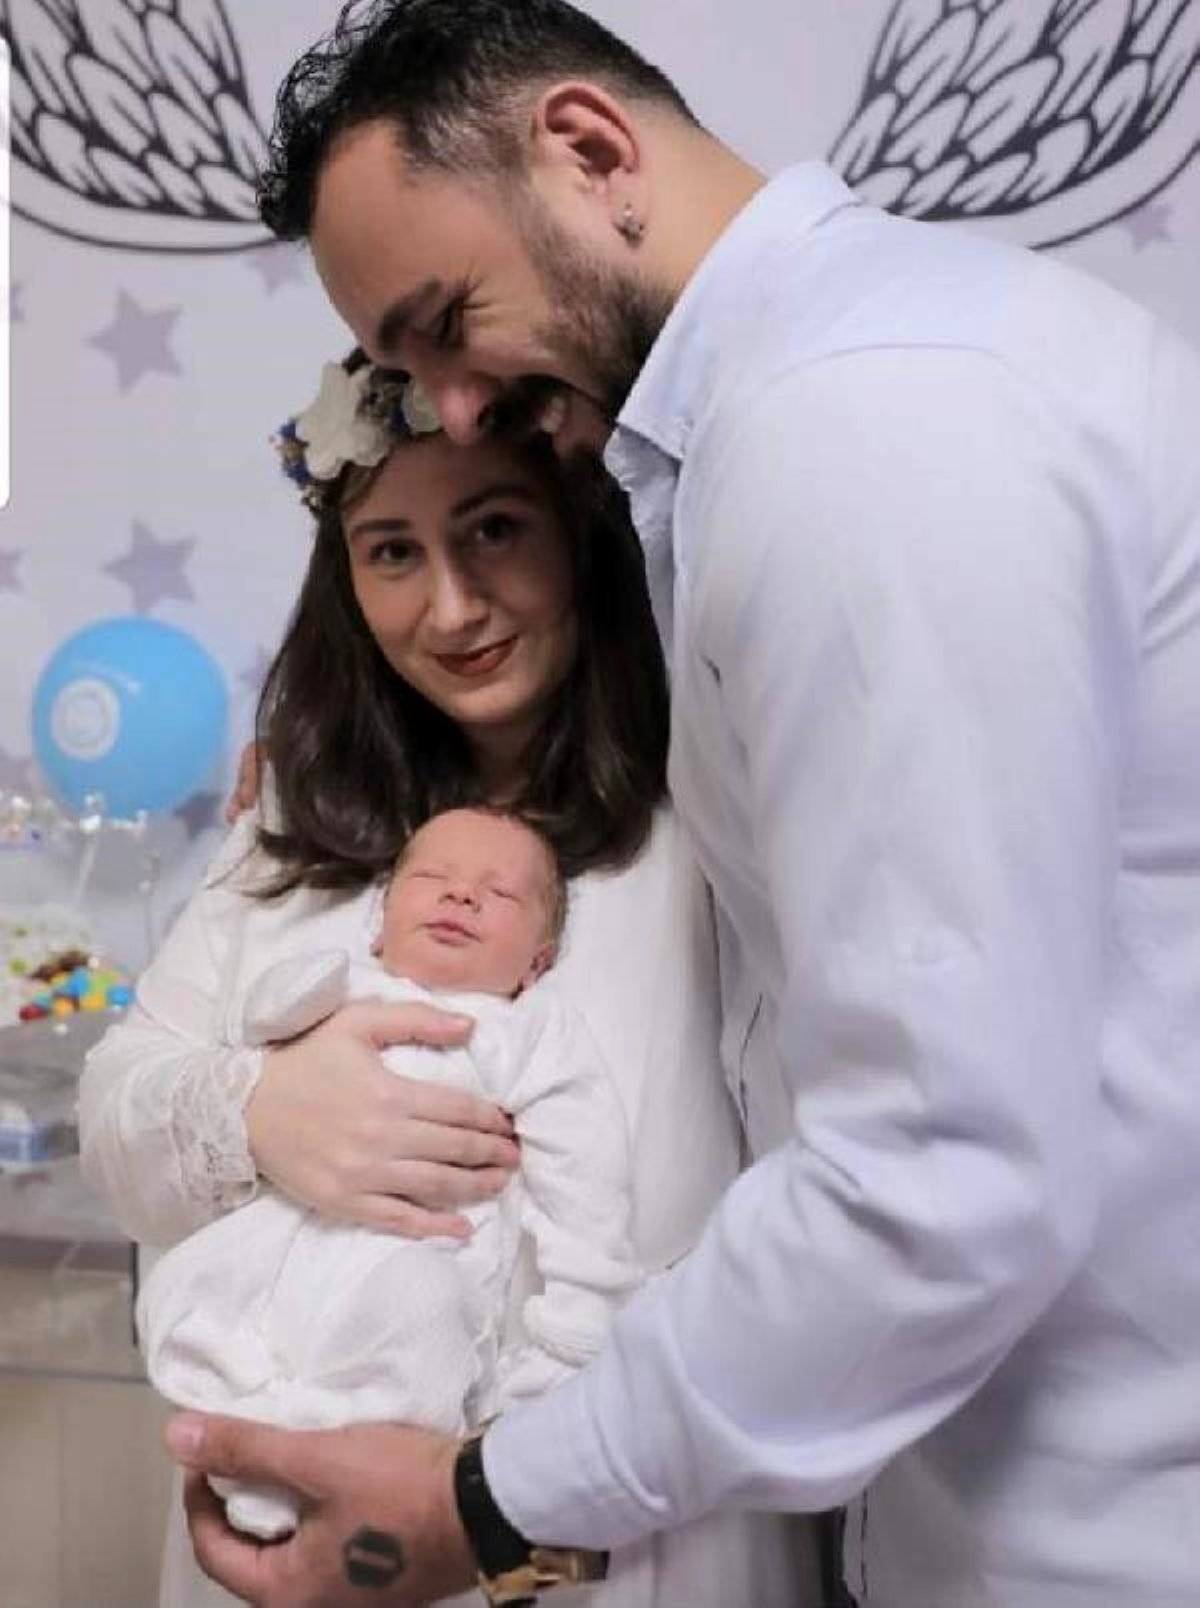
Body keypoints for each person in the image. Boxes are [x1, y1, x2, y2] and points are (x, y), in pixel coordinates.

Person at [158, 3, 1200, 1607]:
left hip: (1093, 1527)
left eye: (451, 326)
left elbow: (938, 1174)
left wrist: (492, 1503)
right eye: (406, 376)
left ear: (589, 151)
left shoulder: (860, 426)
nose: (453, 411)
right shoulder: (838, 399)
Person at [80, 353, 808, 1606]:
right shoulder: (302, 819)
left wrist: (506, 1515)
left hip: (614, 1544)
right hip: (277, 1526)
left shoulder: (707, 824)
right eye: (392, 552)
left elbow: (785, 1219)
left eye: (496, 529)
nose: (453, 608)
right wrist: (264, 1112)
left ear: (582, 532)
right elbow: (117, 1116)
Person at [139, 805, 638, 1546]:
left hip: (418, 1253)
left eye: (499, 893)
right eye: (433, 878)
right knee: (183, 1281)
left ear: (538, 963)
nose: (461, 895)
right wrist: (300, 993)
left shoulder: (530, 1033)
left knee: (420, 1320)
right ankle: (246, 1424)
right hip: (289, 1236)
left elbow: (582, 1173)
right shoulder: (349, 989)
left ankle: (327, 1448)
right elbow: (256, 1026)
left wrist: (578, 1314)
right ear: (378, 924)